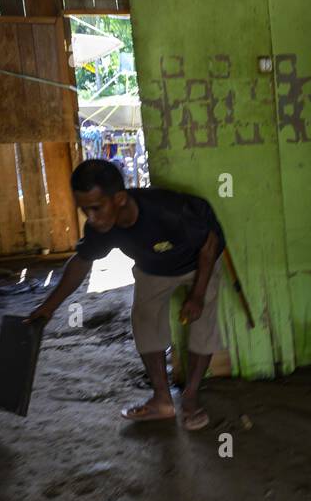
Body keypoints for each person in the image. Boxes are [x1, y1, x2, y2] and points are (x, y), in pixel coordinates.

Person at [27, 159, 226, 430]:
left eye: (96, 208)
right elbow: (81, 262)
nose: (91, 217)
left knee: (203, 322)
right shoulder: (100, 228)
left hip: (199, 261)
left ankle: (190, 397)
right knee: (144, 321)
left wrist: (198, 294)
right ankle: (162, 400)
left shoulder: (170, 211)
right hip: (153, 267)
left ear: (119, 199)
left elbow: (209, 244)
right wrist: (48, 308)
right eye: (84, 209)